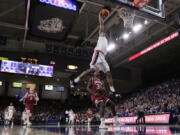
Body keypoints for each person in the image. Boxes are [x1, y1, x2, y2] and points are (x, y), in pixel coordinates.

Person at [71, 7, 117, 94]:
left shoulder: (106, 40)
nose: (105, 32)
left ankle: (111, 87)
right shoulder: (101, 35)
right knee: (91, 70)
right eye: (104, 32)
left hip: (103, 57)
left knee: (108, 73)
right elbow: (101, 24)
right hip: (98, 53)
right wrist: (100, 16)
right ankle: (78, 78)